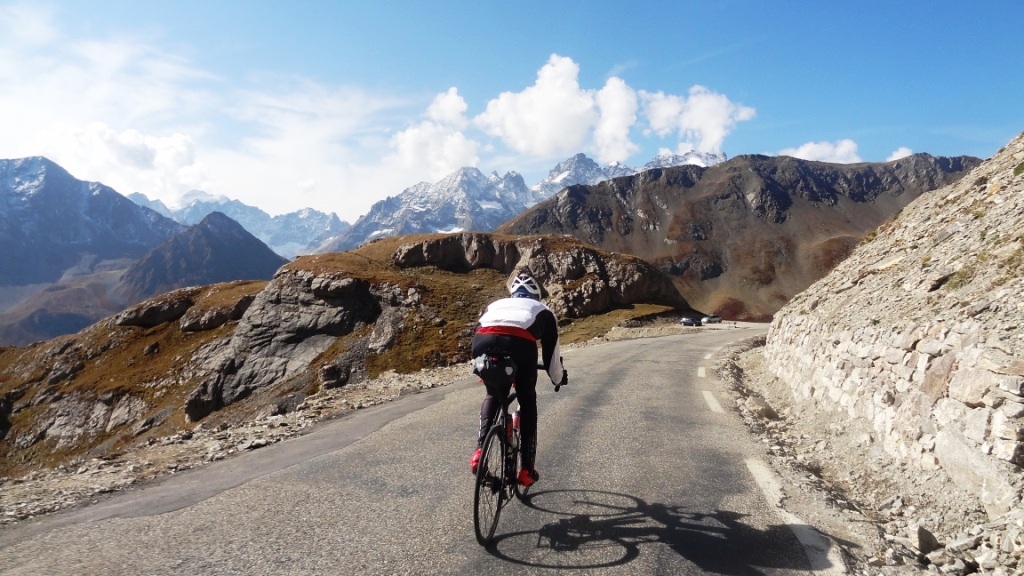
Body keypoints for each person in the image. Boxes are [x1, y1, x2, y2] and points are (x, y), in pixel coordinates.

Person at [469, 269, 568, 487]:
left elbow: (479, 331)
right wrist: (558, 379)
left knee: (494, 394)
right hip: (519, 344)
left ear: (513, 294)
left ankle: (479, 451)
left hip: (482, 340)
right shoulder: (544, 310)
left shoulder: (495, 304)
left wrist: (486, 371)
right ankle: (526, 470)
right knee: (527, 401)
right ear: (536, 296)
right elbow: (551, 357)